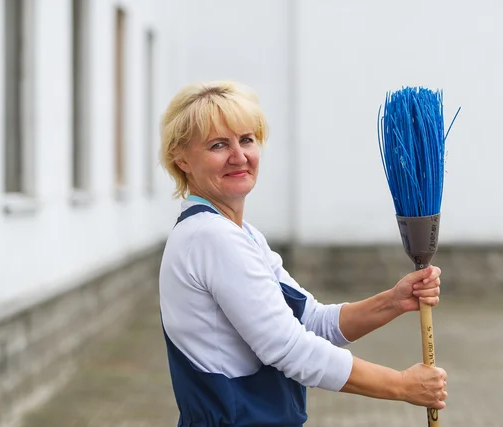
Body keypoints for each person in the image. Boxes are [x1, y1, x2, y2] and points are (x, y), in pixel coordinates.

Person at [158, 80, 447, 426]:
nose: (239, 156)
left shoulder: (240, 234)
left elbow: (311, 321)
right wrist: (401, 385)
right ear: (181, 158)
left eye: (247, 140)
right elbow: (291, 349)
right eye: (218, 145)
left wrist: (395, 300)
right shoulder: (210, 237)